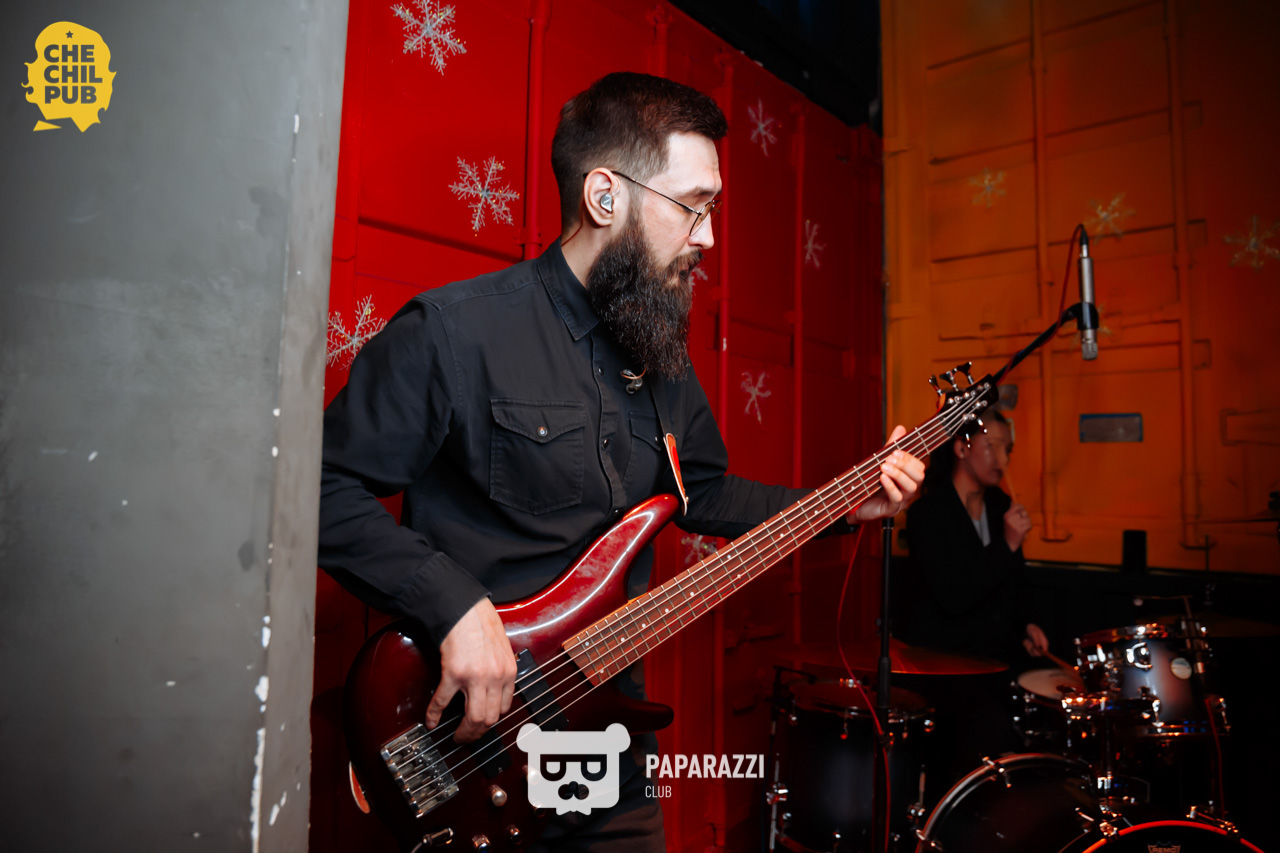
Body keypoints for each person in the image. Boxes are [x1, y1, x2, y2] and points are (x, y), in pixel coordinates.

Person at [318, 72, 925, 852]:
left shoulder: (659, 346)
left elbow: (703, 492)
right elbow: (322, 489)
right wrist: (455, 606)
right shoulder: (453, 332)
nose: (708, 237)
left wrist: (845, 503)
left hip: (608, 749)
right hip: (472, 745)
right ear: (605, 196)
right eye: (693, 206)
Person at [899, 409, 1048, 786]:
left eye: (1007, 449)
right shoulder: (927, 515)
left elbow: (1014, 581)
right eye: (992, 446)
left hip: (995, 662)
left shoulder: (1001, 505)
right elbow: (954, 596)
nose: (1002, 459)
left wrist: (1028, 623)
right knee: (987, 740)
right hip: (945, 669)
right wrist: (1007, 544)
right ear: (962, 448)